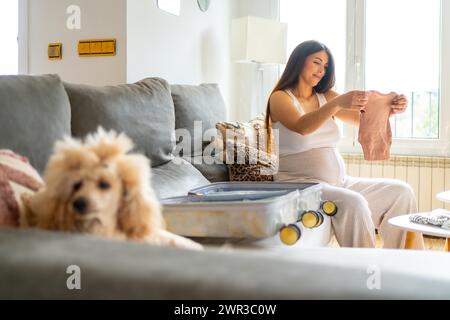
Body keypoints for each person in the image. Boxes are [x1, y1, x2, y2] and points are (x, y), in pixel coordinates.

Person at [265, 40, 424, 249]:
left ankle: (403, 264)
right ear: (298, 61)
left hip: (338, 183)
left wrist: (390, 108)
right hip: (301, 187)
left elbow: (363, 119)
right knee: (354, 202)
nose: (322, 70)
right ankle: (367, 272)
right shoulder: (280, 98)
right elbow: (302, 126)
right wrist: (337, 103)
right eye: (317, 62)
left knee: (402, 192)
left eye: (326, 66)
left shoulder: (325, 97)